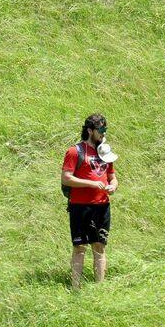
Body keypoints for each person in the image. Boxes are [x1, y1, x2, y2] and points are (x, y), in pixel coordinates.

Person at [61, 113, 116, 288]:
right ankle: (75, 287)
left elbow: (113, 177)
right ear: (90, 130)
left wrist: (113, 186)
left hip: (102, 206)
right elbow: (66, 178)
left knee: (99, 247)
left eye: (105, 129)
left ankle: (99, 287)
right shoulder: (74, 151)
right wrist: (92, 184)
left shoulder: (105, 151)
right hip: (80, 207)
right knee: (80, 248)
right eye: (101, 130)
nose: (104, 133)